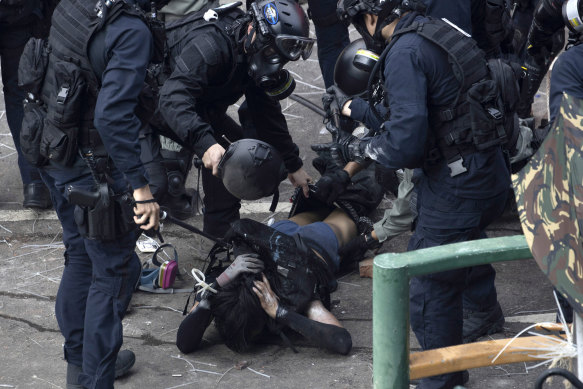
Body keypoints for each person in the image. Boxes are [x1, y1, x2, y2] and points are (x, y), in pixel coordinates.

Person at [324, 1, 512, 387]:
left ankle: (441, 382)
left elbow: (406, 143)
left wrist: (358, 151)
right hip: (489, 174)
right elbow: (431, 110)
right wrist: (354, 108)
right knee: (457, 257)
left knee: (429, 289)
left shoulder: (404, 53)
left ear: (372, 16)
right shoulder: (438, 31)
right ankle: (457, 359)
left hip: (457, 185)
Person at [25, 0, 168, 386]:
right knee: (113, 273)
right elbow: (110, 116)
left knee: (80, 258)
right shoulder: (131, 30)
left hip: (49, 149)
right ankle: (93, 379)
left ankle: (80, 366)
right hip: (89, 168)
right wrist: (141, 189)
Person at [157, 0, 314, 238]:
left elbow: (265, 112)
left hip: (201, 108)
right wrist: (206, 144)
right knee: (155, 185)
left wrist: (293, 165)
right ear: (253, 31)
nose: (274, 63)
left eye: (281, 59)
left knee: (236, 157)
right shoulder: (211, 47)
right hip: (153, 107)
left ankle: (222, 237)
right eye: (272, 53)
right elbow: (172, 100)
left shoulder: (252, 51)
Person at [176, 209, 358, 355]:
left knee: (348, 210)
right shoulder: (224, 292)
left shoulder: (291, 294)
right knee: (321, 210)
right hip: (274, 235)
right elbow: (184, 343)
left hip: (312, 245)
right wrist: (220, 282)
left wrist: (280, 312)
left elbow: (343, 343)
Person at [0, 0, 52, 208]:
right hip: (20, 12)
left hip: (20, 12)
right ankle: (35, 182)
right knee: (22, 93)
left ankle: (35, 181)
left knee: (22, 92)